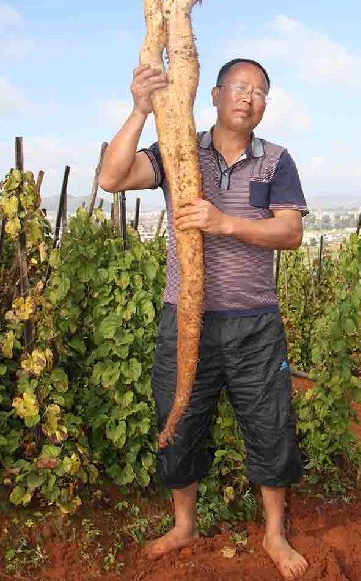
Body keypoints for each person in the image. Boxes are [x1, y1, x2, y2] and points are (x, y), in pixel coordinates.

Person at [98, 57, 309, 580]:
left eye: (260, 91)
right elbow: (111, 177)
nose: (248, 98)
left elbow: (289, 233)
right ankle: (184, 523)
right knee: (180, 419)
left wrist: (225, 223)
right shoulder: (178, 149)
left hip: (254, 322)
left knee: (269, 423)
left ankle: (275, 532)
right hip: (185, 318)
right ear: (214, 95)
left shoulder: (276, 161)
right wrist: (140, 109)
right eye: (239, 87)